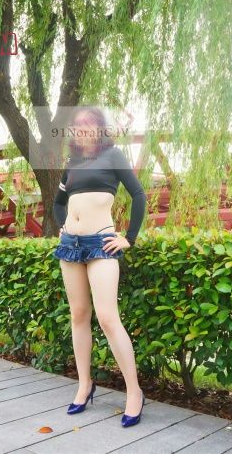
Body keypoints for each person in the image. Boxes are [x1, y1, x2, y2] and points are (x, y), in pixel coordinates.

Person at [52, 106, 147, 428]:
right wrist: (62, 226)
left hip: (101, 244)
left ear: (100, 128)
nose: (81, 128)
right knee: (78, 315)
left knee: (107, 317)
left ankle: (134, 392)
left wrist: (129, 238)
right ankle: (84, 385)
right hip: (70, 245)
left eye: (88, 123)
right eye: (77, 124)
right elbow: (58, 203)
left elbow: (138, 195)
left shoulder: (113, 156)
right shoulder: (72, 163)